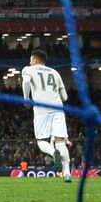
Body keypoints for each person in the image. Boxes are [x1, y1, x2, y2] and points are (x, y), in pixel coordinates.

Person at [21, 49, 71, 182]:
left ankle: (53, 153)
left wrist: (26, 98)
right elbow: (65, 97)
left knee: (41, 141)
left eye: (31, 60)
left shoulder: (28, 69)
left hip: (41, 108)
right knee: (61, 141)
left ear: (35, 60)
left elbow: (26, 82)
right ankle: (67, 173)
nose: (29, 62)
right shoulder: (55, 72)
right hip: (58, 107)